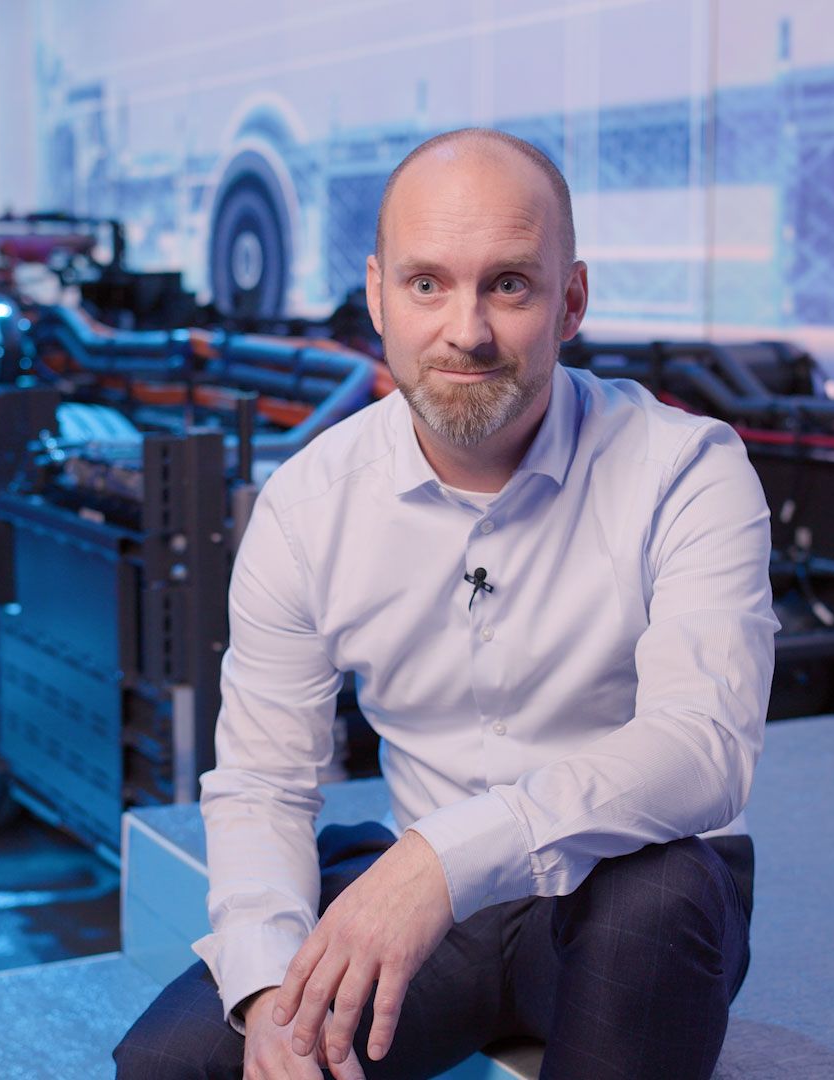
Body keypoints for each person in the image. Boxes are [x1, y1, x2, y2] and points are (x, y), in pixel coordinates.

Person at [115, 127, 776, 1079]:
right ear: (378, 294)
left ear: (571, 301)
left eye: (509, 284)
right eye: (427, 284)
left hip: (621, 896)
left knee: (658, 907)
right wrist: (265, 993)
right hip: (428, 912)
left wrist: (442, 860)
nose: (467, 331)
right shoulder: (309, 506)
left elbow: (701, 747)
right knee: (173, 1065)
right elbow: (263, 782)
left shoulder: (686, 469)